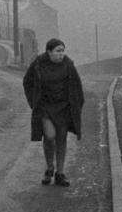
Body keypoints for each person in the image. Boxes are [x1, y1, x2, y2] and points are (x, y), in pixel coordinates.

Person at [22, 38, 85, 187]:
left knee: (61, 139)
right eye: (57, 51)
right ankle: (49, 167)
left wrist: (76, 106)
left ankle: (60, 173)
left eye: (62, 51)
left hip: (63, 107)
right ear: (49, 52)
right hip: (45, 108)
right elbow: (27, 82)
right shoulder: (38, 64)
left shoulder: (68, 65)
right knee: (50, 136)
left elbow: (77, 86)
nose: (61, 54)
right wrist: (34, 103)